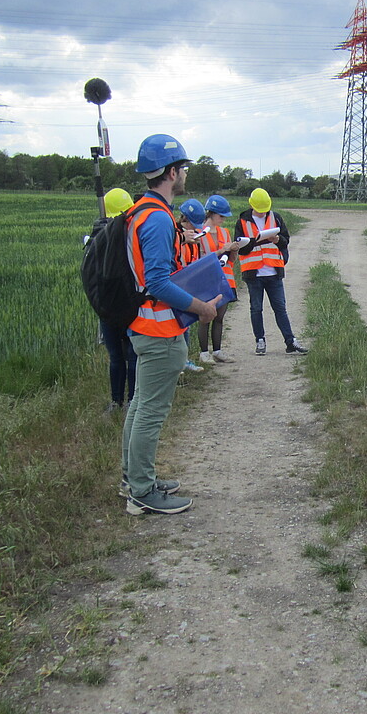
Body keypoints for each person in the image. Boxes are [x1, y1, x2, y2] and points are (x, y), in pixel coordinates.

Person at [120, 134, 223, 515]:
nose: (184, 175)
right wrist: (201, 308)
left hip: (143, 324)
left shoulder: (139, 210)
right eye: (182, 168)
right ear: (171, 172)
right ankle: (142, 492)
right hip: (159, 330)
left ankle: (133, 478)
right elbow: (158, 283)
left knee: (138, 405)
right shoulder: (159, 218)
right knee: (150, 410)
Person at [235, 187, 307, 356]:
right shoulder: (242, 222)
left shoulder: (276, 218)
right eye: (260, 211)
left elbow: (285, 241)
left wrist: (277, 239)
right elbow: (240, 248)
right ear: (252, 206)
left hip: (273, 272)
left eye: (264, 210)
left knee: (280, 308)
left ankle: (290, 342)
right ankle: (260, 341)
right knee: (256, 309)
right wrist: (253, 242)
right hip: (253, 273)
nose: (262, 213)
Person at [91, 187, 138, 411]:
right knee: (127, 356)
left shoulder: (127, 235)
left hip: (110, 308)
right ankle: (123, 401)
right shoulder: (99, 236)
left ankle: (123, 401)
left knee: (121, 357)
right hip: (121, 307)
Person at [197, 195, 240, 365]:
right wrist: (222, 249)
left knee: (220, 317)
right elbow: (200, 260)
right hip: (206, 280)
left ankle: (217, 350)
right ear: (211, 214)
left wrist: (234, 250)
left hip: (225, 280)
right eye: (221, 216)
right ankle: (203, 352)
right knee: (205, 316)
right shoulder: (200, 232)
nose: (223, 219)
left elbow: (231, 261)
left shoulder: (224, 232)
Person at [177, 198, 207, 373]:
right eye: (192, 224)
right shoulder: (174, 234)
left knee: (185, 325)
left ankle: (184, 360)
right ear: (184, 219)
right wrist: (182, 240)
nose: (194, 229)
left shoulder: (194, 237)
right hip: (176, 285)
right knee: (178, 327)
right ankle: (178, 363)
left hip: (188, 285)